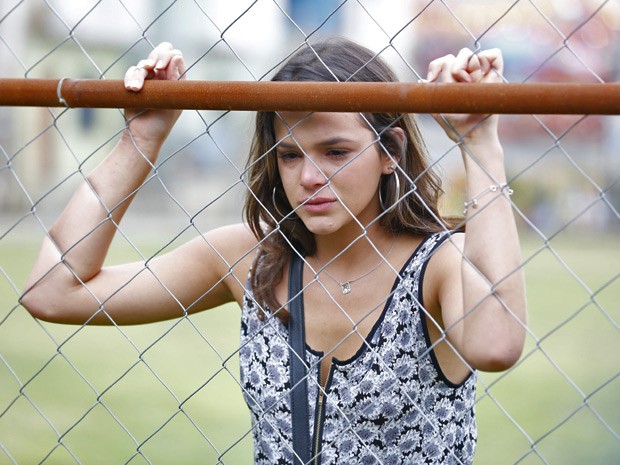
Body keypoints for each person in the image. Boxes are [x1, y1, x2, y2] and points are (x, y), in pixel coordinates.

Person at [22, 38, 526, 464]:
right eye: (289, 155)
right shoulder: (254, 257)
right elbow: (53, 291)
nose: (308, 178)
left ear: (389, 152)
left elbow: (495, 344)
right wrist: (142, 137)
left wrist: (480, 144)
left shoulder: (438, 264)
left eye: (335, 152)